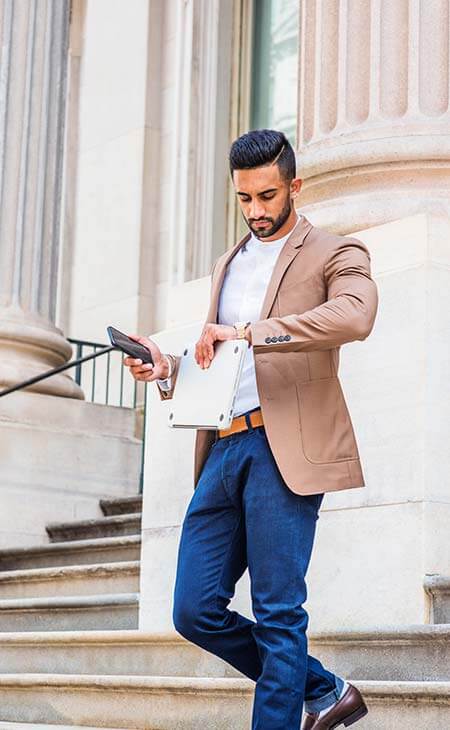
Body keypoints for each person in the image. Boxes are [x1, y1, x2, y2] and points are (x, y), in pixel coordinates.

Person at [124, 129, 378, 730]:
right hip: (222, 448)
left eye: (267, 197)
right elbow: (217, 360)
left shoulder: (336, 252)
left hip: (283, 449)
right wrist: (165, 368)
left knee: (278, 611)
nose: (256, 212)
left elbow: (356, 314)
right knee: (194, 609)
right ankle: (325, 689)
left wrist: (250, 333)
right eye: (245, 200)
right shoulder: (228, 263)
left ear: (294, 186)